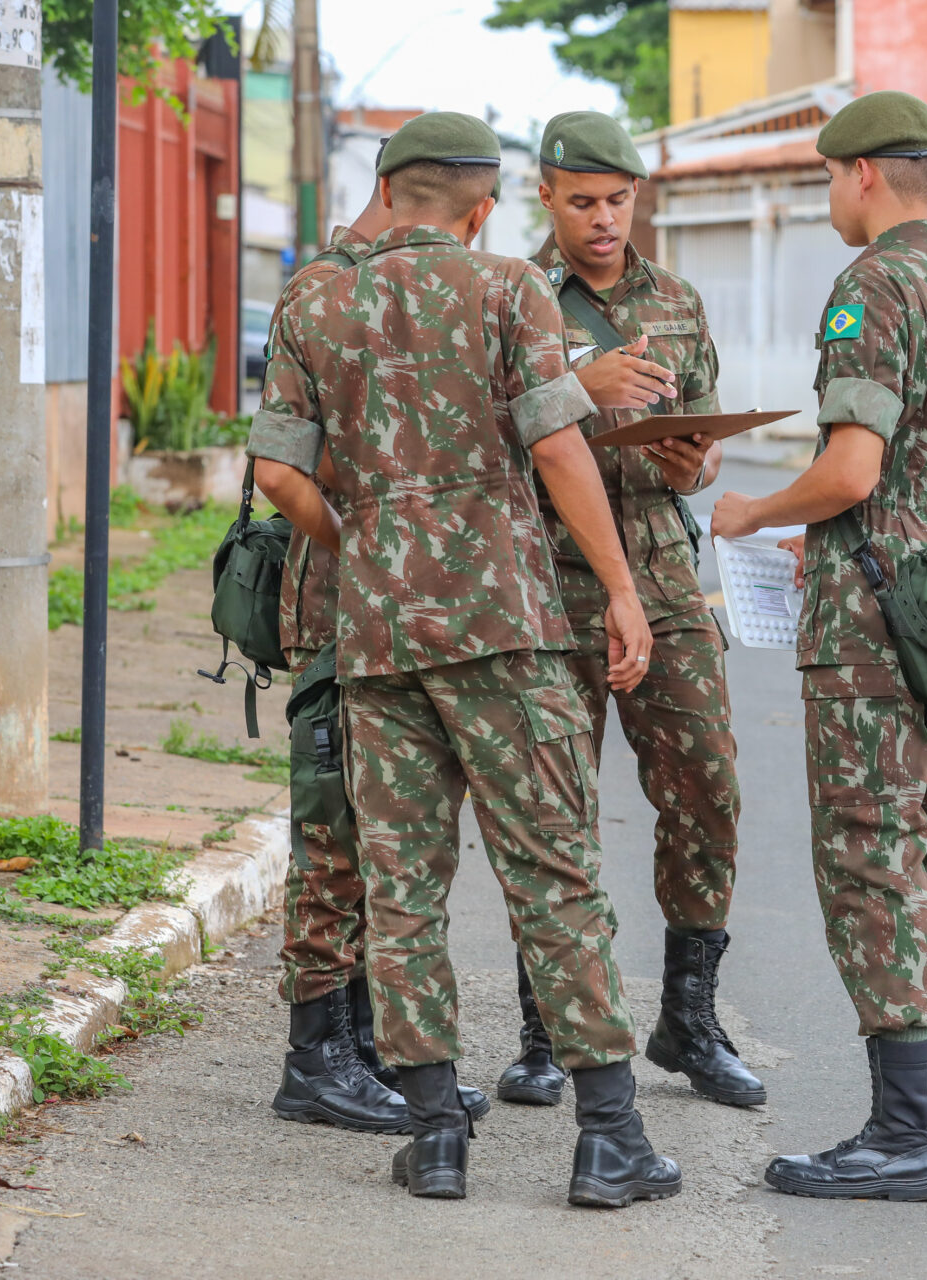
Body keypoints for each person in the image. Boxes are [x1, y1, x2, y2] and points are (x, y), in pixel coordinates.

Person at [249, 111, 680, 1208]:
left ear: (389, 194)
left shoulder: (311, 299)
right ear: (484, 208)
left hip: (379, 635)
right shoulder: (506, 289)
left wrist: (381, 541)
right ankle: (610, 1137)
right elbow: (553, 439)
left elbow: (282, 481)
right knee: (554, 874)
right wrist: (622, 587)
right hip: (506, 629)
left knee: (401, 888)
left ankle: (436, 1133)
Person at [709, 90, 927, 1201]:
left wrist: (760, 515)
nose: (829, 198)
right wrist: (894, 521)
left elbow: (851, 469)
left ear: (864, 177)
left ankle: (898, 1135)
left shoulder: (872, 288)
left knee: (871, 856)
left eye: (828, 180)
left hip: (878, 621)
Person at [492, 110, 764, 1113]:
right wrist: (576, 381)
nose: (602, 221)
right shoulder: (512, 296)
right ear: (546, 196)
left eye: (618, 202)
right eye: (582, 203)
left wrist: (696, 458)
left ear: (637, 198)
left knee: (707, 785)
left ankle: (689, 1019)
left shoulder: (678, 302)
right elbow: (479, 435)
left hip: (659, 568)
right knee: (548, 806)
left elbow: (697, 432)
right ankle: (547, 1029)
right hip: (543, 578)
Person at [263, 140, 490, 1138]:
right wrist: (369, 549)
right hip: (338, 606)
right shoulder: (323, 287)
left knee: (371, 829)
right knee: (332, 830)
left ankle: (365, 1046)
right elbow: (284, 469)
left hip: (373, 601)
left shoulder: (369, 283)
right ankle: (315, 1056)